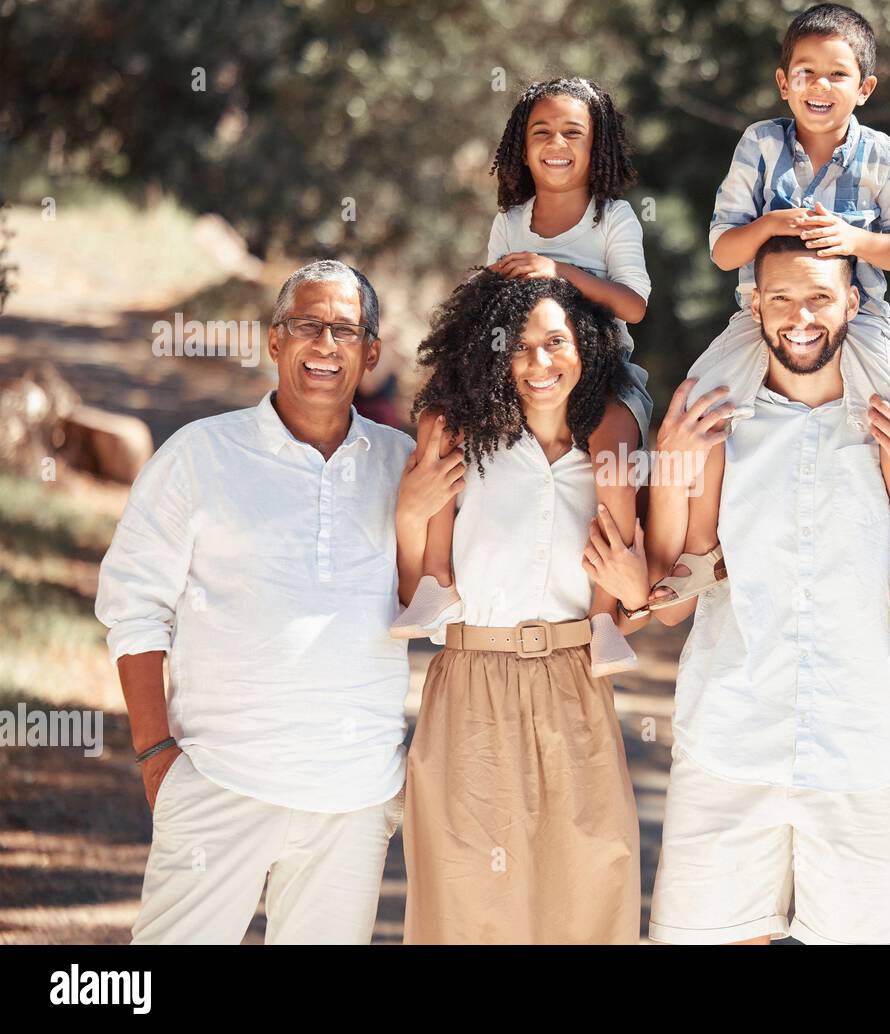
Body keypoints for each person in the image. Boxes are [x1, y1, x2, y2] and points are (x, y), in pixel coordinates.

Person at [95, 259, 464, 944]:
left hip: (351, 801)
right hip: (220, 781)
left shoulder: (405, 462)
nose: (325, 345)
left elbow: (427, 608)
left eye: (345, 331)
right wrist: (155, 757)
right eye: (307, 325)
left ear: (371, 353)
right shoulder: (200, 454)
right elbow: (132, 605)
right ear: (275, 340)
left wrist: (413, 514)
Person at [642, 236, 890, 944]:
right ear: (756, 306)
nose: (799, 317)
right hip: (728, 743)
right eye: (781, 299)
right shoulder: (710, 424)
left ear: (853, 303)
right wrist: (671, 471)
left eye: (820, 298)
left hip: (863, 753)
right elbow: (670, 602)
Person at [399, 270, 647, 944]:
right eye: (523, 346)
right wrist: (407, 524)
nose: (541, 362)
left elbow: (634, 585)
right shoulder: (463, 438)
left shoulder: (606, 441)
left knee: (590, 883)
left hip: (572, 675)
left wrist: (630, 597)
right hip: (473, 676)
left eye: (558, 343)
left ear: (586, 349)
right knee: (467, 897)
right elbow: (410, 569)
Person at [685, 2, 890, 616]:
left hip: (860, 317)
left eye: (837, 75)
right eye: (805, 73)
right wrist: (771, 223)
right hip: (762, 316)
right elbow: (723, 250)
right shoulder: (761, 144)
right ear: (783, 82)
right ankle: (699, 551)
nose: (819, 87)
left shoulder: (885, 157)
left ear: (865, 88)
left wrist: (856, 242)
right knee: (699, 402)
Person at [391, 77, 651, 678]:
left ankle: (605, 615)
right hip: (519, 365)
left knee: (612, 454)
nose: (556, 143)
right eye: (542, 132)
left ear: (598, 144)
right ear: (520, 146)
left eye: (573, 133)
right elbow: (490, 303)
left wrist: (556, 269)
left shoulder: (613, 218)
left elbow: (633, 305)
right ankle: (436, 580)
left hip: (603, 374)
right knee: (439, 419)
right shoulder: (511, 219)